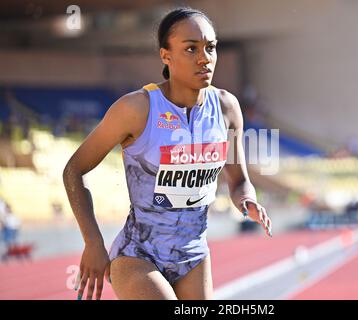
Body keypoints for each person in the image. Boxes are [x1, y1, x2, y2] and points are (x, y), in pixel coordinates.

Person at [63, 7, 272, 301]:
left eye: (210, 48)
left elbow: (239, 180)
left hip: (194, 257)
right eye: (190, 49)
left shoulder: (227, 108)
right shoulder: (137, 109)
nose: (205, 58)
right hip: (138, 255)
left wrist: (247, 200)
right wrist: (93, 242)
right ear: (166, 56)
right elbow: (74, 169)